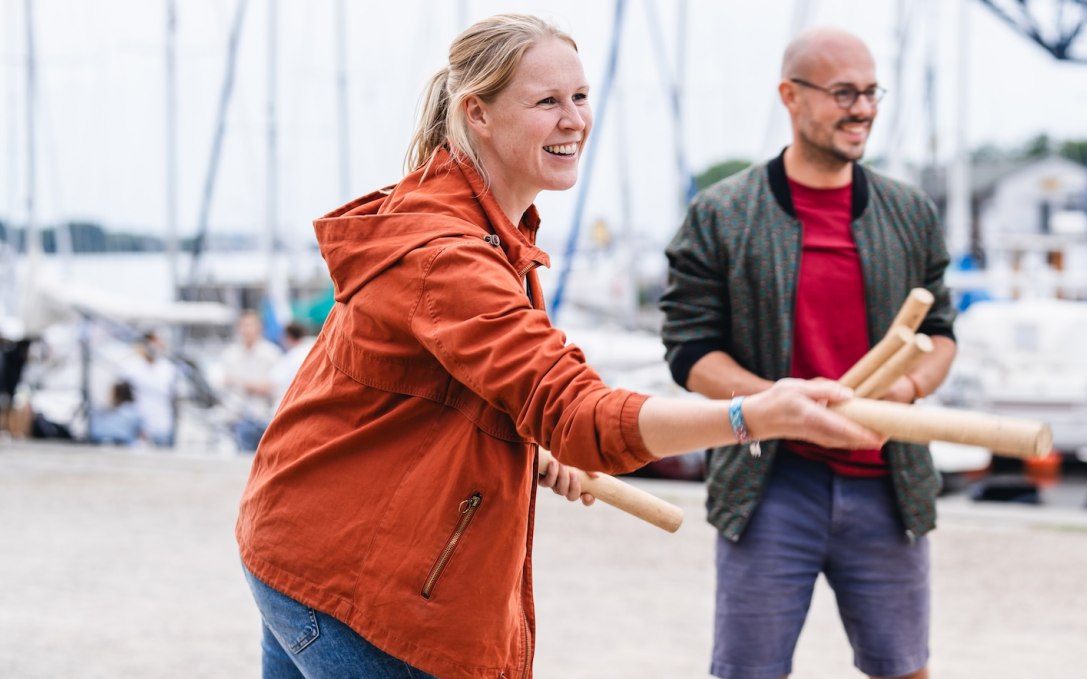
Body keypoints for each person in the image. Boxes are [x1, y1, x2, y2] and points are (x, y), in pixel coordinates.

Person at [235, 15, 883, 678]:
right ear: (477, 114)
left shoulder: (470, 225)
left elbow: (432, 388)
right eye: (546, 101)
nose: (573, 119)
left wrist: (528, 439)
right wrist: (755, 412)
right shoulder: (446, 255)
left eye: (579, 97)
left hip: (299, 537)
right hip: (355, 581)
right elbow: (578, 412)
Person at [661, 27, 957, 679]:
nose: (864, 109)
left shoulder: (909, 211)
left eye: (872, 91)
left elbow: (940, 335)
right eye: (844, 93)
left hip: (889, 481)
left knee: (904, 669)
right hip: (768, 483)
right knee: (747, 671)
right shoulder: (722, 214)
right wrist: (778, 406)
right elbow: (690, 350)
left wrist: (903, 394)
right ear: (790, 97)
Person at [217, 311, 283, 451]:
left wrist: (239, 382)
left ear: (259, 328)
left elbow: (270, 386)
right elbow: (223, 383)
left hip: (263, 416)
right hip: (236, 416)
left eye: (250, 325)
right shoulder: (230, 354)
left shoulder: (271, 353)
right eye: (243, 325)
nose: (247, 329)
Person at [118, 331, 180, 447]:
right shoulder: (132, 366)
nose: (154, 347)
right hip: (139, 425)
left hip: (164, 425)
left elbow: (175, 396)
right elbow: (120, 393)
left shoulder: (168, 368)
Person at [268, 322, 315, 413]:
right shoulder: (315, 345)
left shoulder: (292, 357)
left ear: (287, 337)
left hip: (292, 406)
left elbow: (270, 384)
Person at [88, 381, 141, 445]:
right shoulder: (102, 411)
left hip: (120, 445)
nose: (109, 396)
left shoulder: (131, 413)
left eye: (112, 393)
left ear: (117, 394)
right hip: (101, 442)